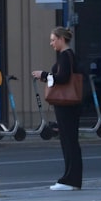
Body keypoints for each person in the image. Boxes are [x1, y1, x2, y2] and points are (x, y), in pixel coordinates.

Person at [32, 26, 83, 191]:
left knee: (69, 141)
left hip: (66, 104)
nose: (51, 43)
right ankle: (71, 178)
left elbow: (62, 77)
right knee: (69, 141)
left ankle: (70, 179)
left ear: (62, 39)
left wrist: (44, 75)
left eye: (53, 39)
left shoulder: (65, 56)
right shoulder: (69, 56)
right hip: (69, 105)